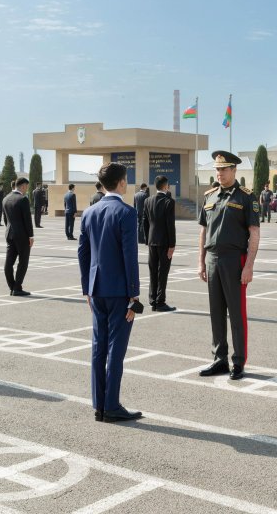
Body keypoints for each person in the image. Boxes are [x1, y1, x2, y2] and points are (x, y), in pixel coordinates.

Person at [78, 162, 142, 423]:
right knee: (116, 349)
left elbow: (83, 253)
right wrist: (134, 295)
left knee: (98, 347)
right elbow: (130, 256)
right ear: (122, 183)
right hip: (119, 292)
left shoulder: (89, 212)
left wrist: (87, 289)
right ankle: (112, 405)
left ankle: (99, 405)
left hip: (96, 290)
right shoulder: (126, 213)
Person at [198, 150, 260, 380]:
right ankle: (219, 359)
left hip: (235, 260)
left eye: (224, 169)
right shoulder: (210, 195)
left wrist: (249, 266)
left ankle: (238, 361)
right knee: (216, 313)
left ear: (234, 170)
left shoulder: (246, 196)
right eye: (217, 169)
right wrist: (201, 262)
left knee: (236, 314)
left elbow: (254, 232)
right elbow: (203, 231)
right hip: (212, 259)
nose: (220, 173)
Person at [143, 175, 176, 313]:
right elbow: (170, 225)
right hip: (164, 242)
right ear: (165, 186)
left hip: (152, 241)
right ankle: (160, 301)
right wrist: (172, 245)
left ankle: (152, 300)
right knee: (163, 272)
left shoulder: (147, 200)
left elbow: (144, 222)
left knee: (152, 271)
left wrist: (147, 239)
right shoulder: (169, 202)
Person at [3, 178, 35, 296]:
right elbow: (27, 220)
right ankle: (17, 288)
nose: (27, 189)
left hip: (10, 234)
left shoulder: (6, 198)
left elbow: (5, 219)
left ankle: (12, 286)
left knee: (9, 262)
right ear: (22, 186)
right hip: (22, 236)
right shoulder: (23, 199)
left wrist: (9, 230)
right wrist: (31, 236)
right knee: (23, 262)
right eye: (26, 186)